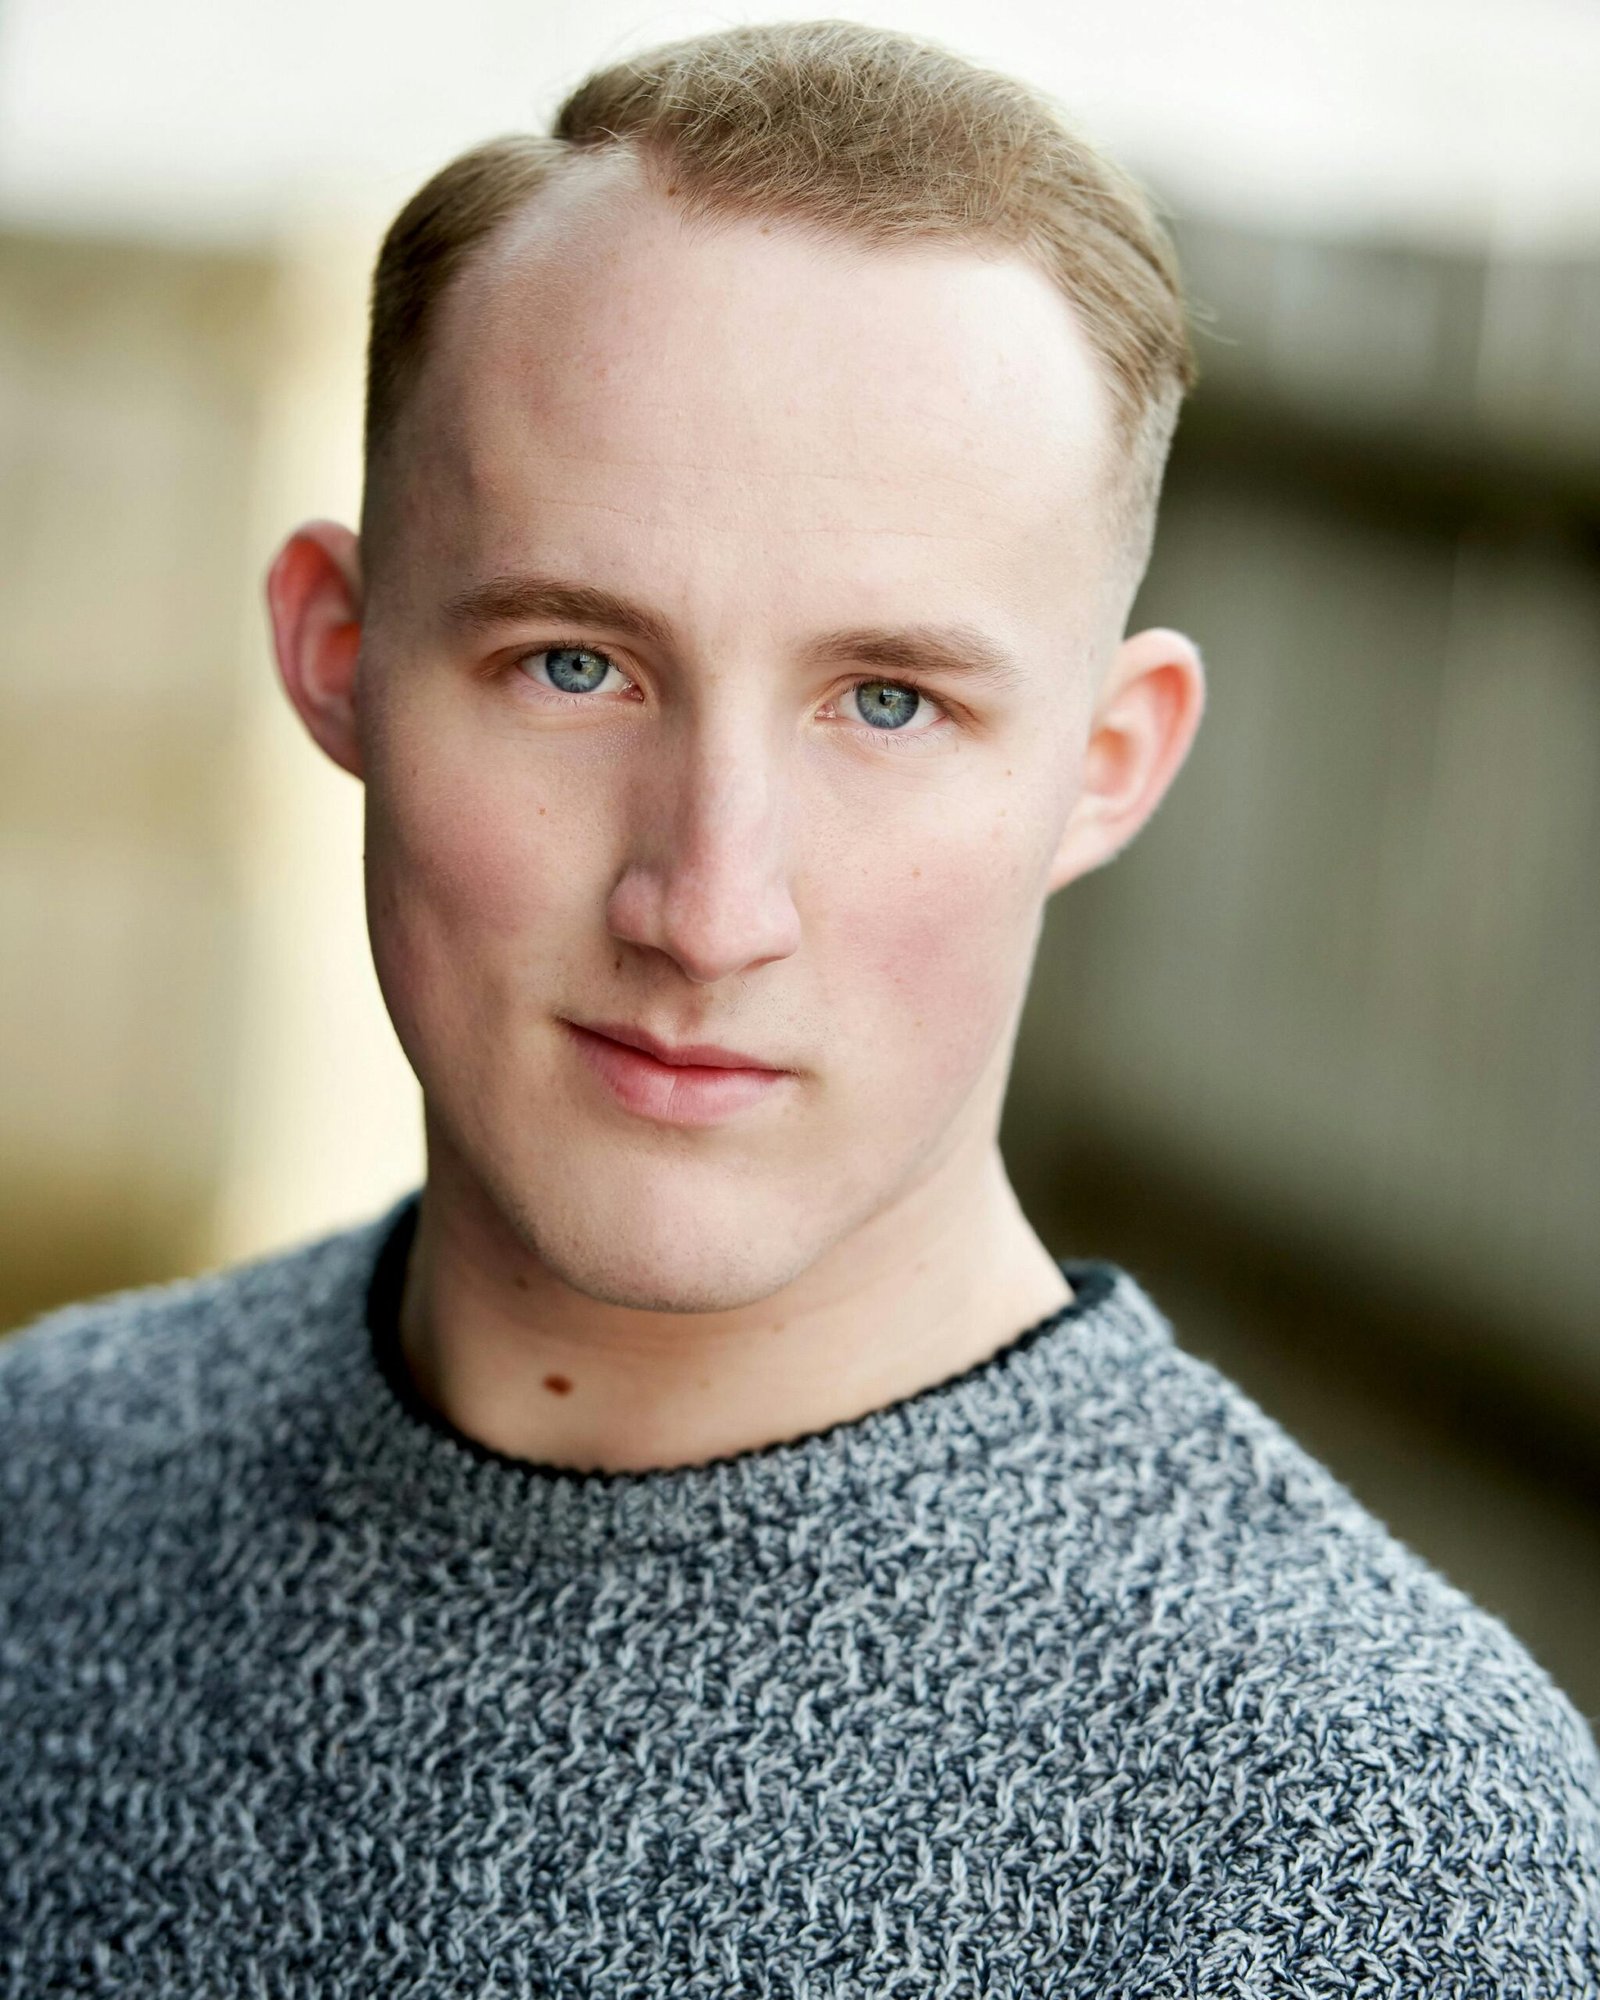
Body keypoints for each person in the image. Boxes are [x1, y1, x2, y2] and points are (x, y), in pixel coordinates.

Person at [2, 20, 1597, 1996]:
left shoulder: (1373, 1846)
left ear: (1105, 768)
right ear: (336, 653)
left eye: (889, 702)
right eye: (573, 664)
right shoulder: (42, 1495)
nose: (707, 906)